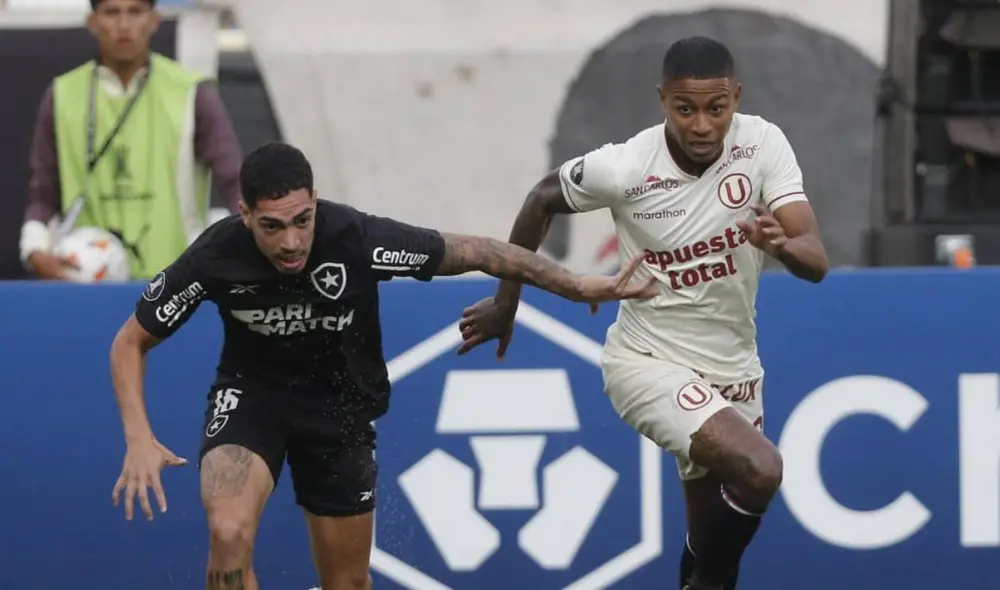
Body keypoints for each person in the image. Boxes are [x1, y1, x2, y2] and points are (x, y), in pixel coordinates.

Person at [108, 141, 657, 590]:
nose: (293, 242)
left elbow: (478, 251)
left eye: (302, 220)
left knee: (346, 583)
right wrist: (138, 437)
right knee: (227, 532)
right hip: (254, 399)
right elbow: (129, 342)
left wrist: (576, 283)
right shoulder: (215, 255)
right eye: (272, 227)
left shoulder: (355, 238)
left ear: (316, 202)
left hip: (340, 410)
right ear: (245, 214)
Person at [457, 37, 829, 590]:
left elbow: (815, 259)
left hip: (735, 369)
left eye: (716, 109)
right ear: (662, 101)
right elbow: (540, 199)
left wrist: (780, 247)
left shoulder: (763, 144)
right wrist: (507, 302)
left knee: (711, 545)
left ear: (736, 99)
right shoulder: (626, 166)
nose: (702, 126)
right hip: (647, 361)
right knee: (761, 469)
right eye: (685, 109)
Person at [19, 0, 243, 281]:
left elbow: (234, 182)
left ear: (154, 20)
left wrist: (252, 240)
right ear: (92, 22)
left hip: (175, 286)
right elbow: (43, 189)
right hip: (90, 285)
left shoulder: (192, 92)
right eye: (112, 12)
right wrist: (34, 251)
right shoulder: (62, 94)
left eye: (135, 11)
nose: (124, 25)